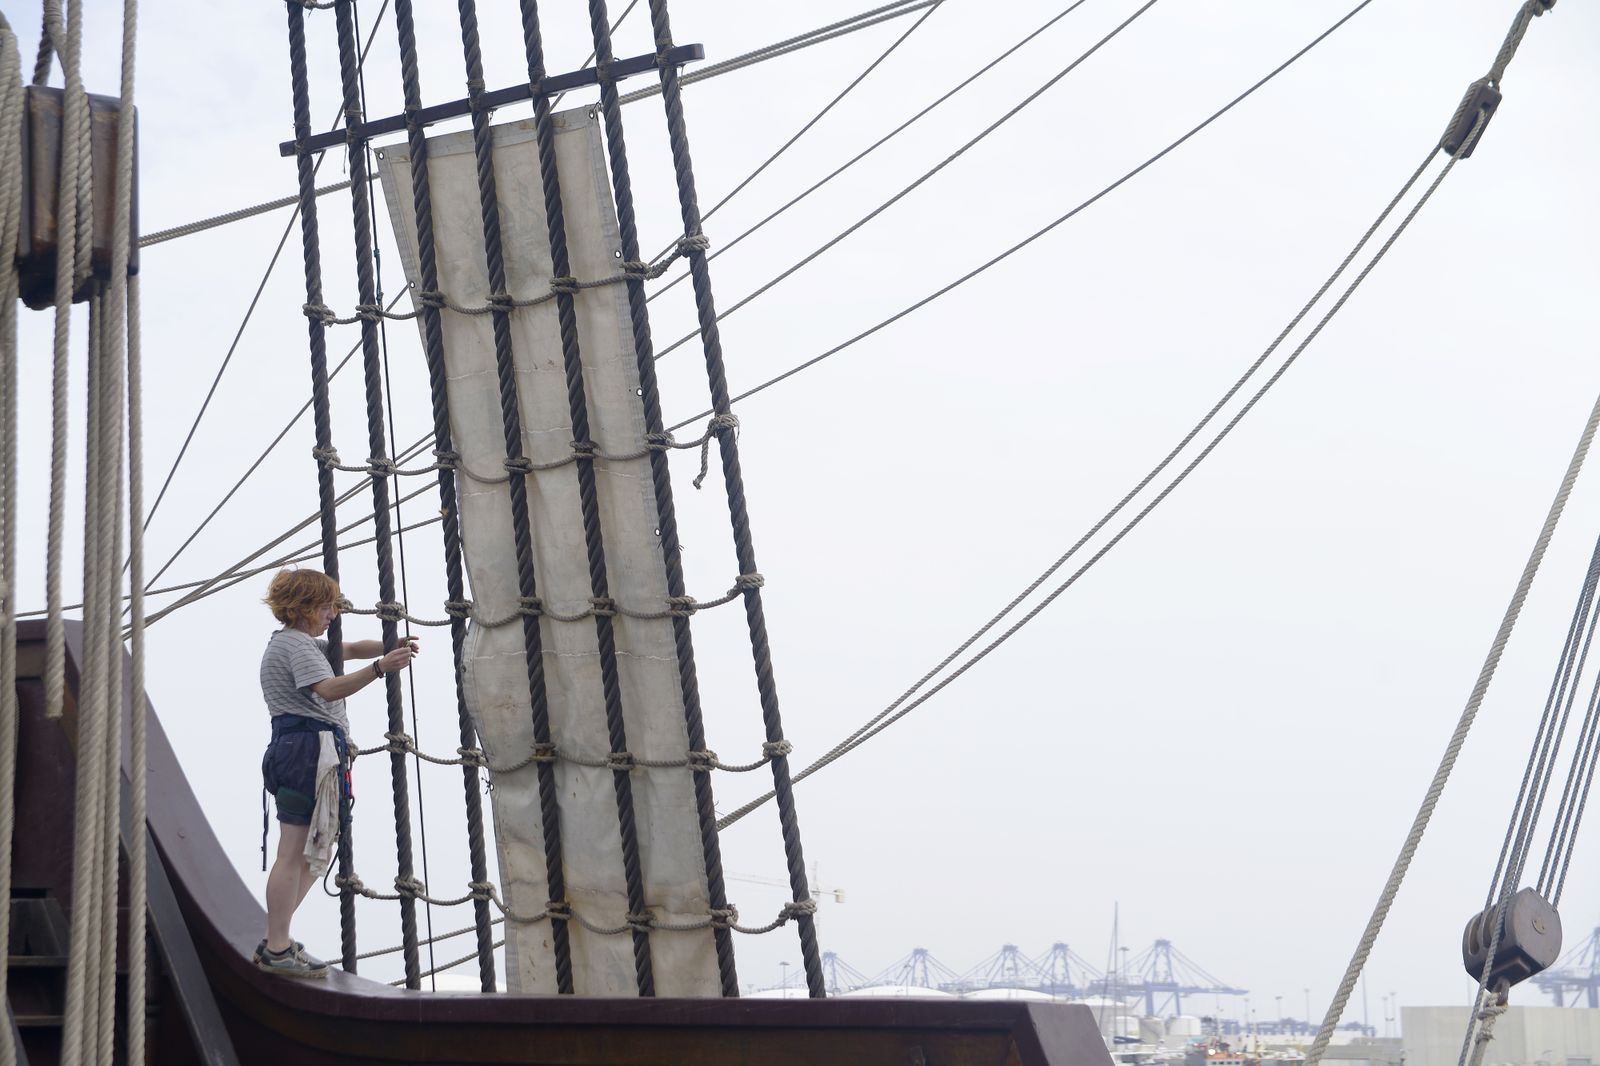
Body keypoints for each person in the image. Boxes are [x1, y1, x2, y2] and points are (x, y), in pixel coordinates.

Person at [258, 569, 417, 978]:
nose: (333, 613)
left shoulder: (300, 644)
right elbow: (328, 690)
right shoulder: (295, 646)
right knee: (294, 850)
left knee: (315, 854)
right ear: (305, 606)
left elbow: (344, 647)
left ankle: (277, 936)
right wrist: (382, 667)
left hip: (311, 752)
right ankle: (277, 947)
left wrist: (389, 646)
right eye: (327, 605)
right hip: (306, 751)